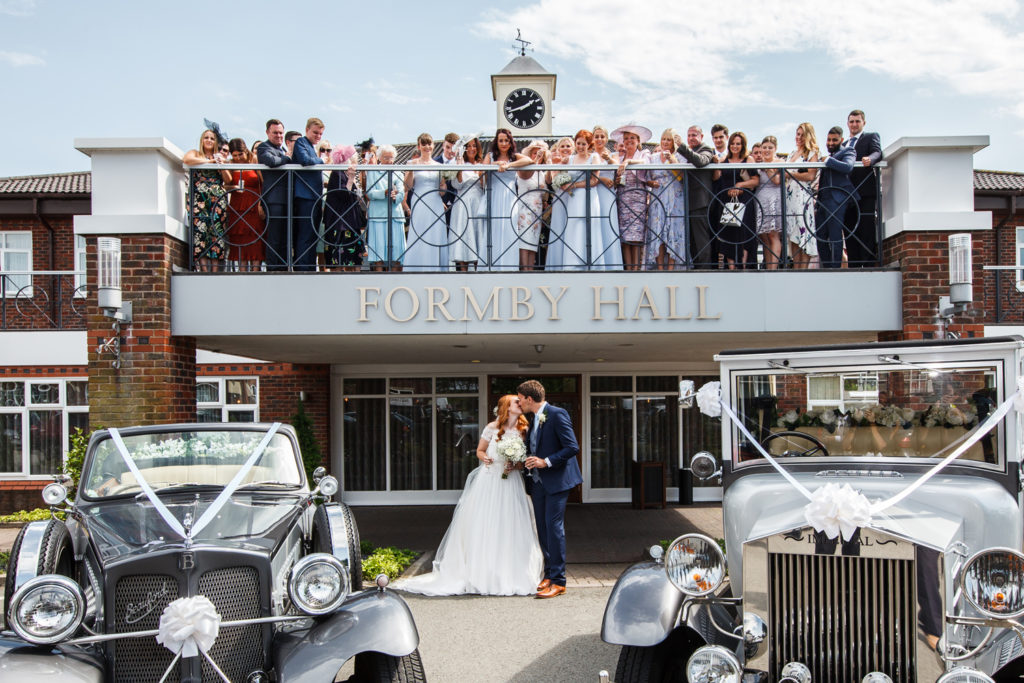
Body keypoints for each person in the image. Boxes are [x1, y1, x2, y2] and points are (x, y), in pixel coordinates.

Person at [397, 394, 543, 596]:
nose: (520, 404)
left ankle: (510, 572)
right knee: (486, 523)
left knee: (510, 524)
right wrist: (487, 459)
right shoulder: (492, 427)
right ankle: (483, 571)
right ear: (506, 408)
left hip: (511, 482)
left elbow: (524, 459)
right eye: (515, 402)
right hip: (490, 480)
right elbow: (480, 451)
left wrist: (515, 464)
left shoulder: (524, 429)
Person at [519, 379, 582, 599]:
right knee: (543, 530)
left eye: (520, 399)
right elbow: (533, 446)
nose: (519, 403)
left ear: (529, 398)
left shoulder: (557, 414)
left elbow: (572, 447)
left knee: (554, 528)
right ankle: (548, 575)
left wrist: (546, 461)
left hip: (556, 480)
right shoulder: (533, 418)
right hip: (537, 483)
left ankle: (559, 581)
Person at [183, 129, 231, 271]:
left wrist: (220, 165)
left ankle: (215, 269)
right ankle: (204, 269)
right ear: (202, 140)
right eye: (206, 138)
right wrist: (209, 161)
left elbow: (228, 179)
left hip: (217, 199)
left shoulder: (220, 157)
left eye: (212, 138)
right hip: (200, 199)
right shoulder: (196, 154)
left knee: (216, 233)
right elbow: (186, 159)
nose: (209, 140)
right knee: (200, 232)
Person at [484, 128, 530, 270]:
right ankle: (492, 265)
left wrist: (509, 165)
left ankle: (508, 266)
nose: (504, 143)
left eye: (506, 140)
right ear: (496, 142)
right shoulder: (490, 155)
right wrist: (496, 165)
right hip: (494, 192)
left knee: (509, 228)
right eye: (501, 140)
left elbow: (529, 159)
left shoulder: (514, 156)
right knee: (494, 228)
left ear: (510, 142)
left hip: (509, 195)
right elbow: (482, 170)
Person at [712, 132, 759, 269]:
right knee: (728, 234)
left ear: (743, 145)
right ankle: (732, 268)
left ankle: (743, 266)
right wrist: (715, 164)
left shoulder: (748, 160)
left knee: (744, 233)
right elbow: (716, 178)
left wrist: (740, 186)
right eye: (732, 143)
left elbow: (755, 180)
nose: (735, 146)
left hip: (744, 201)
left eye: (738, 143)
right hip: (727, 201)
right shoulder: (724, 160)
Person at [842, 110, 883, 267]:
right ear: (848, 124)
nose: (854, 124)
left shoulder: (870, 137)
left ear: (863, 123)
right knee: (850, 231)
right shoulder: (844, 145)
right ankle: (854, 264)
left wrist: (869, 159)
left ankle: (867, 265)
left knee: (866, 228)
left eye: (857, 121)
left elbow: (877, 152)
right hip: (847, 195)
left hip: (865, 192)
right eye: (851, 121)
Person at [644, 128, 687, 270]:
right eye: (664, 139)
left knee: (673, 231)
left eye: (669, 139)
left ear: (674, 142)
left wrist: (672, 160)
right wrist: (651, 183)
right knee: (658, 231)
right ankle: (660, 267)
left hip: (675, 197)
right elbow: (647, 177)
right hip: (658, 197)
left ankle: (671, 267)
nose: (666, 142)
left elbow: (682, 176)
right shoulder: (653, 157)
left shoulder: (679, 156)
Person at [403, 133, 447, 271]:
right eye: (424, 144)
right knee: (420, 231)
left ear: (433, 146)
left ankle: (436, 267)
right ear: (419, 146)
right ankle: (417, 267)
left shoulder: (439, 165)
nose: (427, 147)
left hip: (436, 202)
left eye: (429, 144)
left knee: (436, 232)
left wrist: (443, 186)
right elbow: (407, 187)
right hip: (420, 200)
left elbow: (443, 190)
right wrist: (410, 170)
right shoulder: (411, 163)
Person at [816, 126, 859, 269]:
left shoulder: (848, 150)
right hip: (822, 200)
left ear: (841, 140)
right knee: (820, 236)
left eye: (834, 140)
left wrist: (828, 161)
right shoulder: (826, 154)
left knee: (835, 235)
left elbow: (848, 166)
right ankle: (827, 266)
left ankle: (835, 268)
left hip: (837, 199)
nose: (830, 143)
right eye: (828, 140)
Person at [611, 123, 652, 271]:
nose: (629, 140)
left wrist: (628, 162)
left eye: (632, 138)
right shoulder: (619, 156)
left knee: (636, 236)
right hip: (622, 198)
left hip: (637, 198)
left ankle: (636, 269)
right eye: (626, 138)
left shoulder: (643, 154)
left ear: (638, 140)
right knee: (625, 236)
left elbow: (646, 163)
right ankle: (628, 268)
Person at [677, 125, 718, 268]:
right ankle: (695, 266)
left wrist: (681, 146)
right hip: (689, 201)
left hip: (701, 201)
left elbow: (700, 161)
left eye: (694, 135)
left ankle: (704, 269)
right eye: (689, 135)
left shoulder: (706, 150)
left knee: (701, 239)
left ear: (701, 136)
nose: (691, 138)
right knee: (693, 240)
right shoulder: (691, 151)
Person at [224, 138, 265, 272]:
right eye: (234, 155)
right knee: (239, 238)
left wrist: (261, 202)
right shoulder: (230, 163)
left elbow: (262, 182)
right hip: (237, 205)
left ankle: (256, 271)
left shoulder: (254, 159)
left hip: (254, 204)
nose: (238, 158)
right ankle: (241, 272)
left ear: (245, 151)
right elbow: (226, 184)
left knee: (255, 238)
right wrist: (232, 186)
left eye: (240, 154)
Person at [290, 118, 326, 271]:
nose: (318, 136)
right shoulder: (301, 143)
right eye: (315, 132)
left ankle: (310, 268)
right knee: (305, 235)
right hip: (305, 197)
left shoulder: (310, 146)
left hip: (314, 197)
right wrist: (322, 160)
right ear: (307, 130)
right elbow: (305, 160)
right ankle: (303, 269)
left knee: (312, 236)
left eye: (320, 134)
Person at [256, 119, 292, 271]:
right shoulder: (264, 147)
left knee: (284, 238)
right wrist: (288, 157)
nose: (279, 136)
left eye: (281, 133)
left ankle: (283, 268)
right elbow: (271, 161)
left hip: (286, 199)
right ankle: (273, 270)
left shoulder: (282, 149)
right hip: (274, 200)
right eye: (275, 132)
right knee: (275, 237)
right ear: (267, 133)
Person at [324, 145, 366, 271]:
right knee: (338, 257)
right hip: (340, 223)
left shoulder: (344, 173)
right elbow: (343, 194)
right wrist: (351, 179)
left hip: (349, 220)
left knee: (353, 257)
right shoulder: (337, 173)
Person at [448, 134, 486, 271]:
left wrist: (481, 173)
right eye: (468, 146)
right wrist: (459, 168)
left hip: (478, 201)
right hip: (463, 202)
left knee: (478, 234)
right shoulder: (458, 163)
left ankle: (477, 270)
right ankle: (463, 272)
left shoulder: (482, 163)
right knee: (463, 234)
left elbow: (485, 186)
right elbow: (456, 185)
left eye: (474, 146)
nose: (471, 148)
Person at [785, 123, 820, 269]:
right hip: (789, 196)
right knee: (793, 233)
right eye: (797, 134)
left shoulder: (812, 153)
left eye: (801, 134)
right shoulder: (792, 153)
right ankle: (795, 267)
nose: (798, 137)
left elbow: (811, 175)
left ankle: (803, 269)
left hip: (802, 195)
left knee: (803, 231)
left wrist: (792, 174)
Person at [365, 144, 405, 270]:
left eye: (391, 157)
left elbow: (402, 192)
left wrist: (395, 195)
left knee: (398, 249)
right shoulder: (373, 171)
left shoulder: (398, 172)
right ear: (379, 158)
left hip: (395, 214)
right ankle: (379, 275)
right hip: (378, 214)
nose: (389, 160)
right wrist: (384, 193)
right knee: (379, 249)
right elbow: (369, 193)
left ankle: (396, 277)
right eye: (386, 157)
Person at [513, 139, 548, 270]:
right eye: (534, 153)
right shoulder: (524, 170)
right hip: (524, 208)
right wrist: (536, 161)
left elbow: (544, 190)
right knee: (524, 239)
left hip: (537, 210)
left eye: (539, 153)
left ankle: (531, 269)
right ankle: (524, 269)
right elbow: (527, 176)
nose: (537, 155)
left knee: (533, 239)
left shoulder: (542, 173)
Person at [591, 126, 620, 269]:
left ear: (606, 139)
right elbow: (587, 173)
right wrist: (601, 178)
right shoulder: (590, 155)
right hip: (594, 191)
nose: (599, 139)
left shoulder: (613, 154)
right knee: (596, 224)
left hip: (608, 194)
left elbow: (618, 168)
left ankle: (611, 263)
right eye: (596, 136)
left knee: (609, 224)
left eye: (602, 136)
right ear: (593, 138)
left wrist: (609, 160)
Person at [544, 137, 575, 269]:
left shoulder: (576, 162)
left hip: (574, 198)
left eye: (568, 146)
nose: (565, 149)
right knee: (559, 230)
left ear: (573, 148)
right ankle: (557, 264)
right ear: (558, 149)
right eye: (562, 146)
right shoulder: (556, 163)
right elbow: (552, 181)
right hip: (561, 198)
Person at [754, 136, 784, 269]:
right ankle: (767, 266)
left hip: (774, 199)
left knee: (773, 235)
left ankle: (773, 268)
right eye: (764, 147)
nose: (767, 150)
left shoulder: (779, 162)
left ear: (775, 149)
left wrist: (768, 167)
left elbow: (777, 181)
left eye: (770, 147)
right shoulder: (757, 163)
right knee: (764, 237)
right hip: (760, 200)